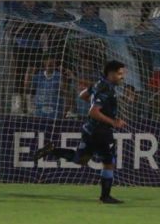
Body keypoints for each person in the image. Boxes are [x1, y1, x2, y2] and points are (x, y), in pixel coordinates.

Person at [33, 60, 127, 204]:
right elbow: (93, 112)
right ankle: (105, 196)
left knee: (80, 159)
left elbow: (82, 96)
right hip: (100, 131)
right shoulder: (106, 88)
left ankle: (52, 151)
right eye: (120, 73)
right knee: (109, 162)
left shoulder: (98, 83)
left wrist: (98, 104)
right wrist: (113, 121)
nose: (122, 76)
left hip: (89, 129)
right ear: (111, 73)